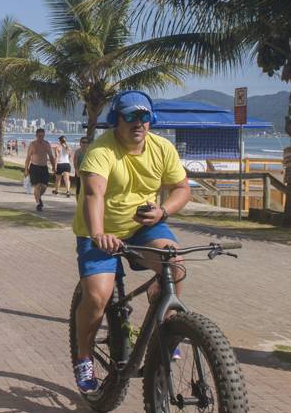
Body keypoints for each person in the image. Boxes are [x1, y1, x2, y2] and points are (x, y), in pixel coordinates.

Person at [72, 91, 190, 396]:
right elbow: (92, 194)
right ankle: (84, 356)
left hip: (143, 228)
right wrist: (99, 233)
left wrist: (164, 211)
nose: (139, 123)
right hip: (99, 230)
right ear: (116, 120)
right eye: (130, 116)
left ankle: (165, 330)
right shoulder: (101, 151)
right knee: (98, 298)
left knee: (174, 264)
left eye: (144, 116)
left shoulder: (162, 148)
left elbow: (181, 188)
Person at [24, 128, 56, 212]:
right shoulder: (32, 144)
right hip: (34, 167)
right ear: (36, 135)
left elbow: (51, 157)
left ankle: (38, 197)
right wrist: (26, 169)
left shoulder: (46, 144)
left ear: (44, 135)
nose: (41, 137)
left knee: (44, 187)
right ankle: (38, 203)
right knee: (37, 186)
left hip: (44, 167)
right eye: (39, 136)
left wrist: (54, 167)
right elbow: (28, 158)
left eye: (42, 136)